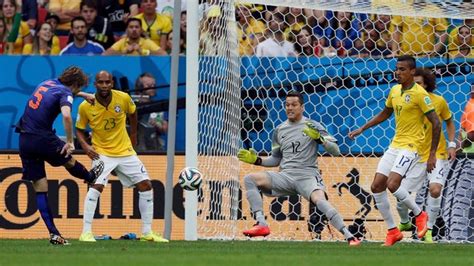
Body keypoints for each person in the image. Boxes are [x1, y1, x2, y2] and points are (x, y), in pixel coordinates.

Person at [238, 90, 361, 246]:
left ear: (302, 107)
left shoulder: (313, 125)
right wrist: (256, 160)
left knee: (320, 201)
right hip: (286, 176)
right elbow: (276, 159)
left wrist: (319, 138)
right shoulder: (279, 130)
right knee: (250, 179)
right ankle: (261, 224)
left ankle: (349, 235)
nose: (290, 108)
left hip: (307, 176)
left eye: (294, 105)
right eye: (287, 105)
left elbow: (336, 150)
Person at [349, 55, 441, 246]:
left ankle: (419, 214)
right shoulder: (394, 90)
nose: (397, 73)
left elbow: (436, 123)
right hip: (395, 145)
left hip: (411, 145)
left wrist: (432, 153)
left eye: (402, 69)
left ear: (412, 71)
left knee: (392, 184)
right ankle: (393, 231)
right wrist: (362, 128)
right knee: (376, 186)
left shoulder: (420, 94)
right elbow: (386, 112)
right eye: (396, 69)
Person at [14, 66, 104, 245]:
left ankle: (54, 234)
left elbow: (58, 93)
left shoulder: (46, 83)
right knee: (69, 160)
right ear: (75, 84)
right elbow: (67, 116)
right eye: (79, 88)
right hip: (42, 137)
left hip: (25, 138)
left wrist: (83, 95)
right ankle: (89, 177)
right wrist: (70, 142)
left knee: (40, 188)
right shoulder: (66, 93)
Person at [75, 70, 168, 243]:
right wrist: (86, 146)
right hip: (101, 152)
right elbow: (79, 129)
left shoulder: (123, 98)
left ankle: (147, 233)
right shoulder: (86, 106)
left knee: (146, 185)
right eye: (101, 82)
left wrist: (133, 135)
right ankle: (85, 233)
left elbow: (133, 113)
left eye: (107, 82)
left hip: (125, 151)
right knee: (96, 187)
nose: (104, 85)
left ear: (112, 83)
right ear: (95, 84)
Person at [395, 68, 456, 243]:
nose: (416, 86)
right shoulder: (407, 100)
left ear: (427, 84)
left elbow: (450, 122)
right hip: (416, 153)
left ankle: (428, 230)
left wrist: (452, 145)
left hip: (437, 153)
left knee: (435, 190)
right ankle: (405, 222)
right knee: (401, 192)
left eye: (419, 83)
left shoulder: (439, 101)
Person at [134, 73, 168, 151]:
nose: (152, 88)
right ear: (139, 87)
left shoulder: (158, 106)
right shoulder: (130, 103)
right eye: (148, 85)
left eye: (154, 85)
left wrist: (156, 124)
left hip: (153, 146)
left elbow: (165, 129)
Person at [460, 84, 474, 153]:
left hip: (469, 150)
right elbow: (462, 130)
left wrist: (461, 147)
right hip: (468, 151)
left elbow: (471, 135)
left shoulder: (471, 106)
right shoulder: (470, 104)